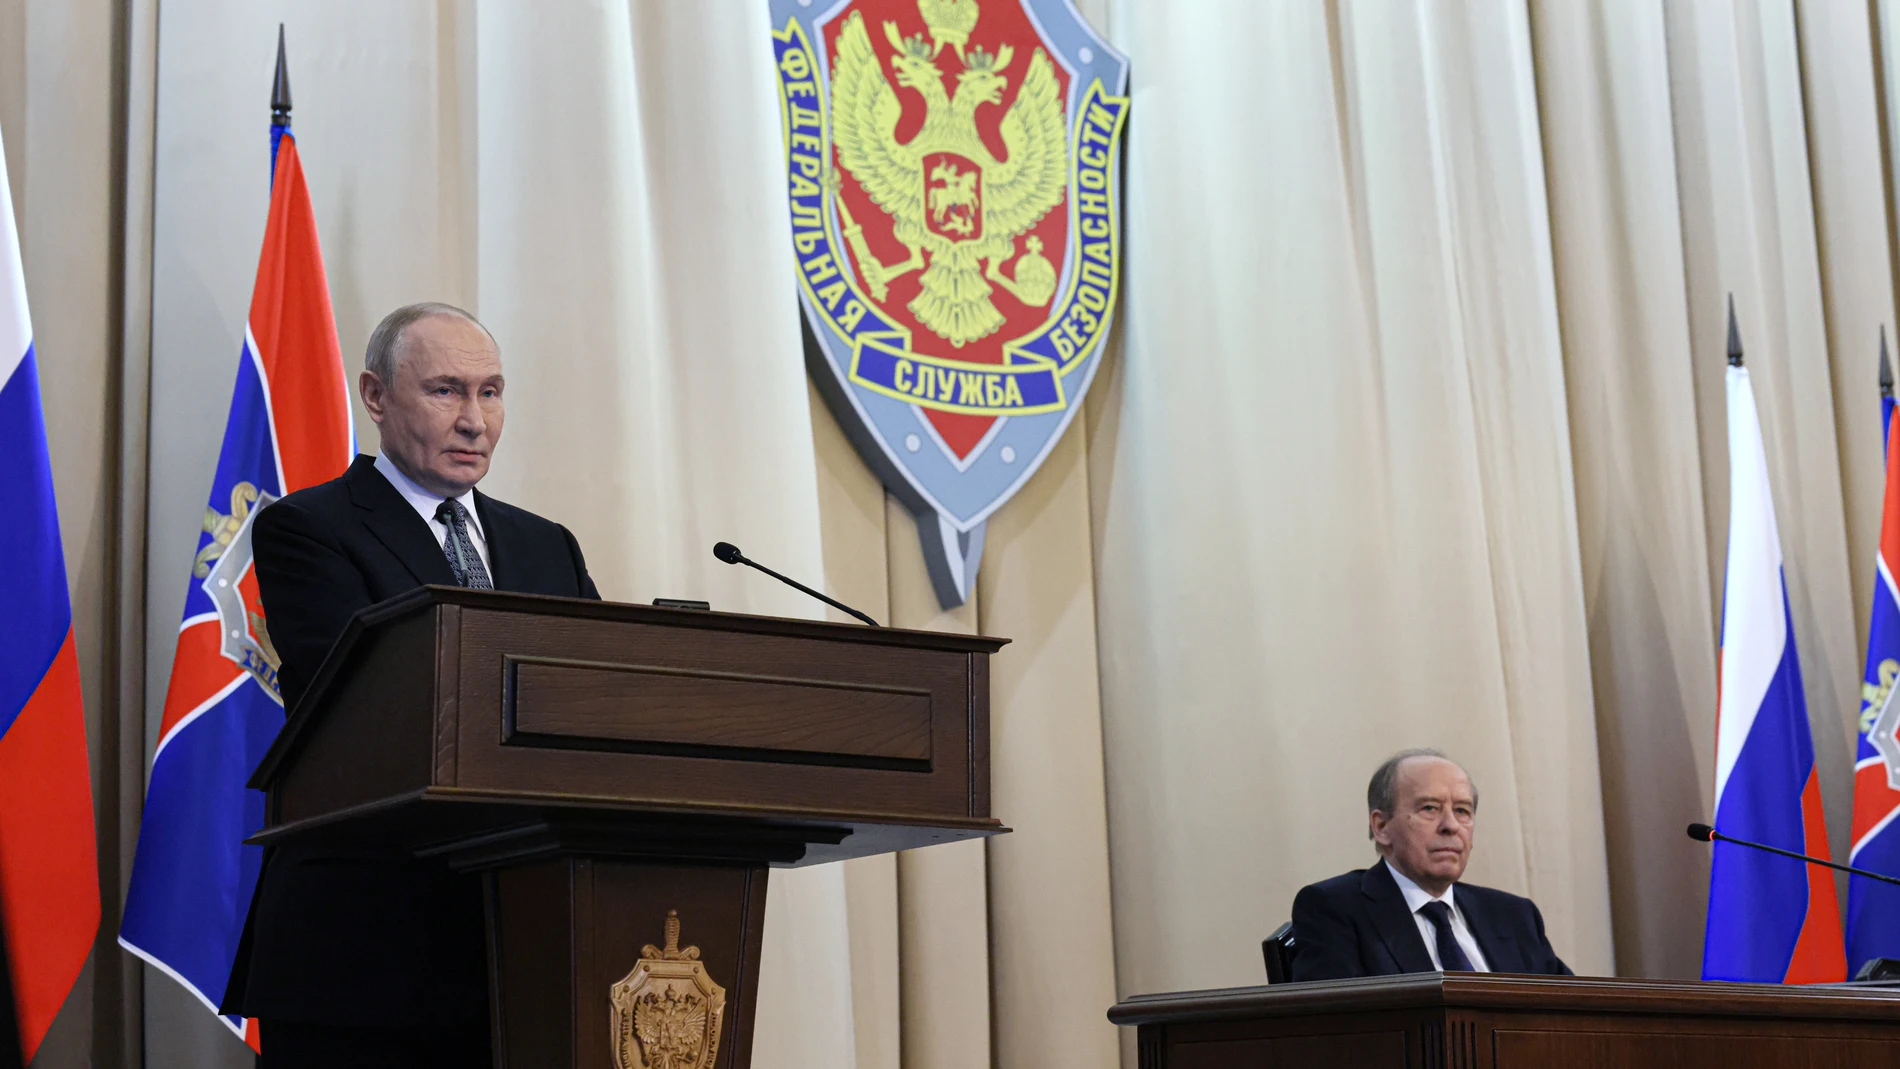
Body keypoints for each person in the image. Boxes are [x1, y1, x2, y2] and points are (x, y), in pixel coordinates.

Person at [221, 302, 600, 1067]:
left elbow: (593, 698)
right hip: (365, 950)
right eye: (447, 391)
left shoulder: (545, 543)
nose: (475, 420)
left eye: (491, 392)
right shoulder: (309, 528)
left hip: (523, 945)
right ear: (376, 395)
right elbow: (366, 698)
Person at [1288, 748, 1571, 981]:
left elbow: (1576, 1012)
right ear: (1382, 826)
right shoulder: (1335, 909)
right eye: (1429, 809)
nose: (1450, 826)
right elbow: (1338, 1032)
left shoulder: (1513, 915)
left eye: (1462, 811)